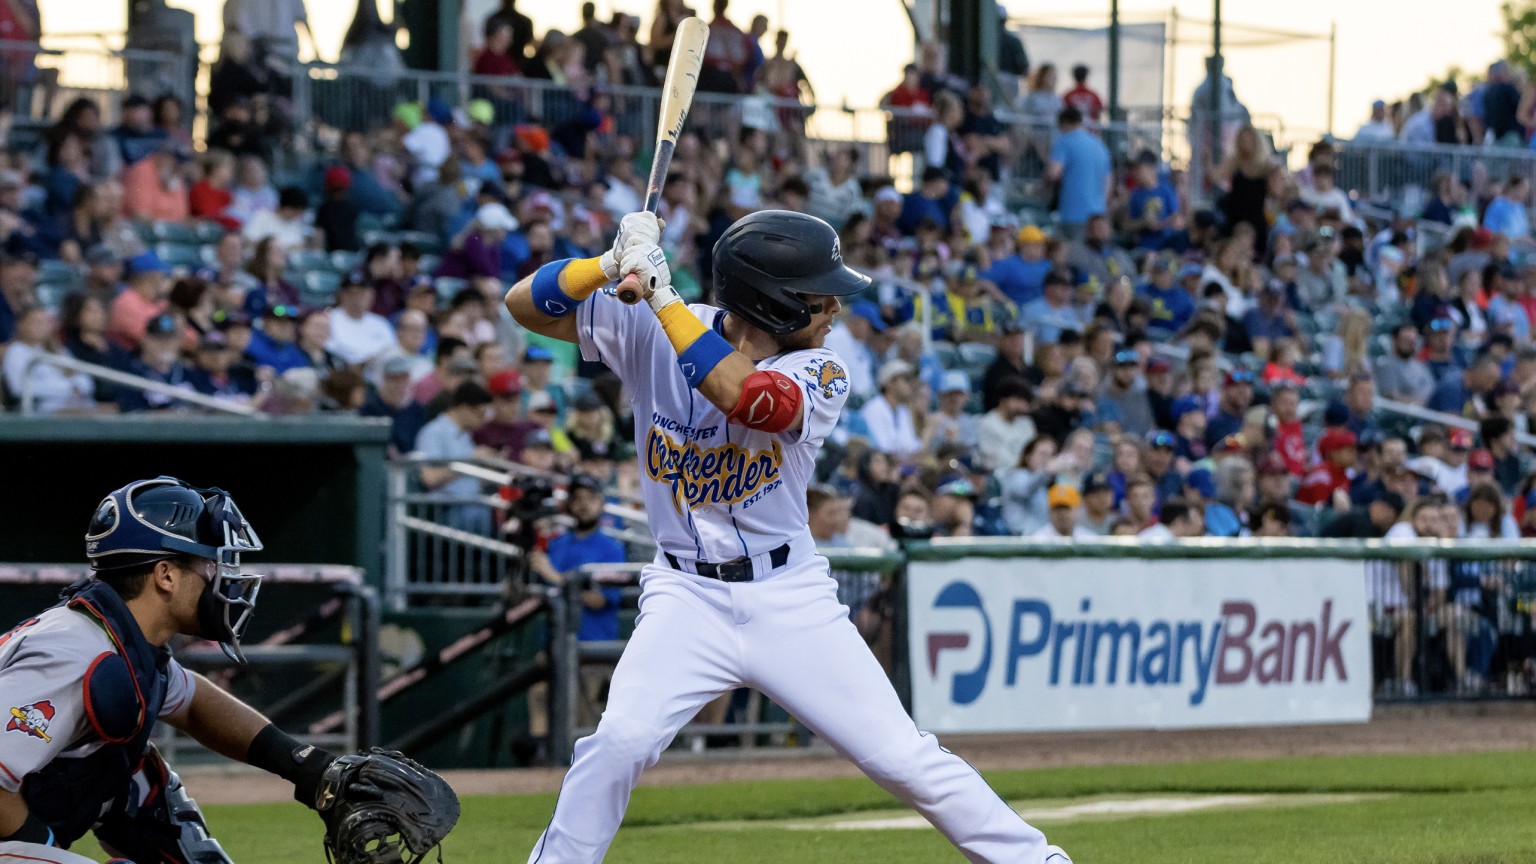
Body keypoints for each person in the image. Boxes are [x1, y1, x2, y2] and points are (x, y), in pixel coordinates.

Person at [505, 208, 1071, 862]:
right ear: (769, 302)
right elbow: (525, 304)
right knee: (620, 743)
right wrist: (604, 265)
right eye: (815, 295)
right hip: (686, 595)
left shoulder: (822, 370)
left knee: (901, 759)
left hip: (789, 595)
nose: (833, 307)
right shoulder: (647, 324)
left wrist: (661, 298)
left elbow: (747, 399)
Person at [0, 477, 457, 864]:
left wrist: (308, 767)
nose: (221, 574)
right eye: (207, 561)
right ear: (166, 575)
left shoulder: (124, 644)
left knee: (141, 779)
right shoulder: (73, 651)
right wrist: (40, 848)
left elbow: (194, 702)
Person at [1046, 107, 1109, 240]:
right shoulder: (1100, 145)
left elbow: (1053, 173)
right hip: (1098, 215)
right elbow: (1108, 182)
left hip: (1073, 213)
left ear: (1064, 124)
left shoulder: (1064, 141)